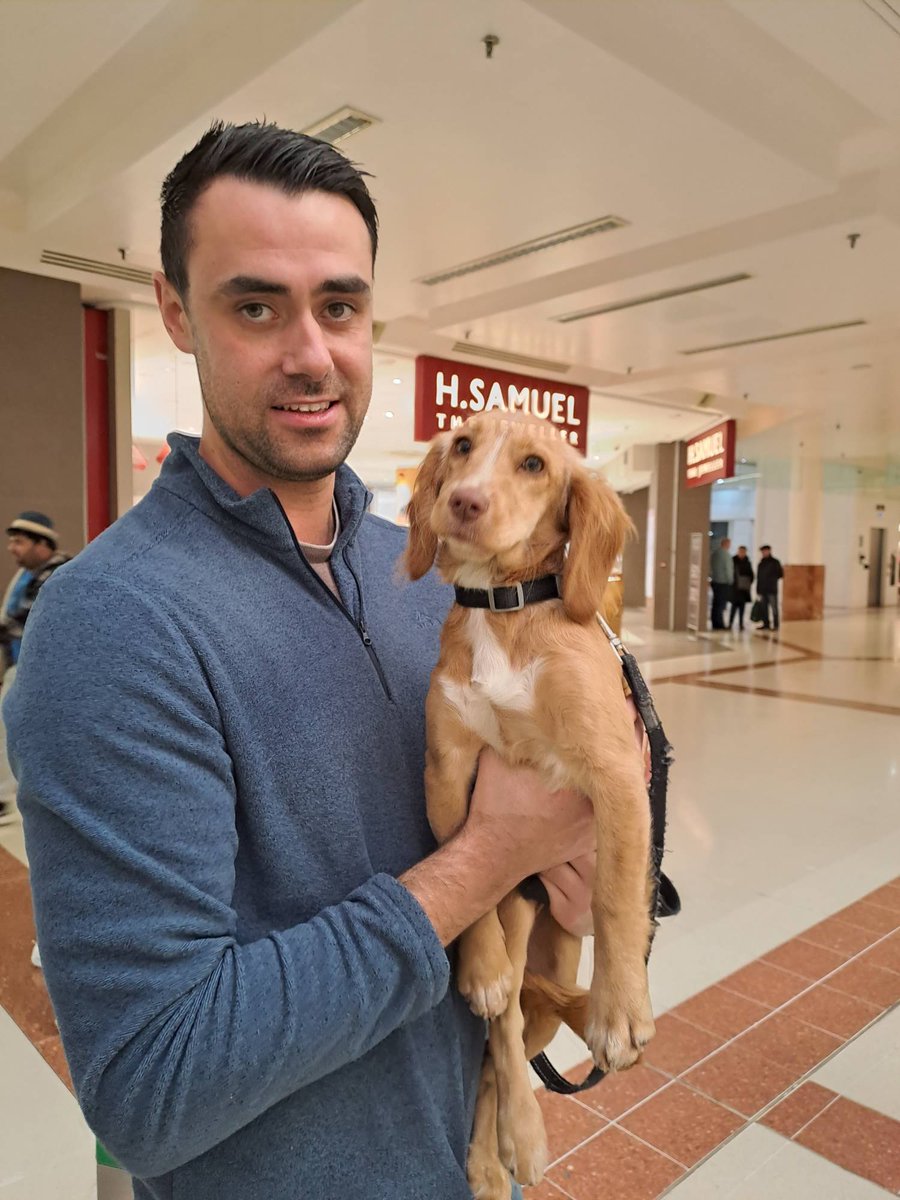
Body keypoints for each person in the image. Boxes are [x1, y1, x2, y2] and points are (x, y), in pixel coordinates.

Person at [3, 122, 602, 1200]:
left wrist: (596, 853)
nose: (310, 353)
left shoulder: (430, 572)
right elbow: (150, 1086)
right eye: (254, 306)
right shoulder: (109, 625)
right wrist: (484, 862)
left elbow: (588, 766)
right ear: (177, 312)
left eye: (340, 305)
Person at [0, 512, 70, 826]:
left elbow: (32, 620)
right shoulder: (28, 575)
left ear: (43, 543)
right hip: (22, 667)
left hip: (44, 671)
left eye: (19, 542)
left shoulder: (58, 573)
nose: (12, 549)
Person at [756, 544, 784, 631]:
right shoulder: (761, 563)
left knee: (774, 608)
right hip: (763, 589)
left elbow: (780, 574)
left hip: (772, 589)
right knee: (764, 608)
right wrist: (758, 589)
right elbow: (759, 577)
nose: (764, 553)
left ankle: (776, 625)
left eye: (765, 551)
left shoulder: (775, 562)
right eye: (762, 551)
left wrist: (772, 580)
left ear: (769, 551)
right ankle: (766, 624)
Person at [708, 535, 733, 630]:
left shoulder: (714, 554)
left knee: (715, 603)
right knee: (721, 604)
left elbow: (710, 568)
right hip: (723, 583)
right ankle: (720, 624)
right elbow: (728, 570)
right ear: (726, 544)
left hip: (715, 582)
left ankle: (715, 622)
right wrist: (730, 581)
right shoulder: (726, 555)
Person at [728, 545, 754, 631]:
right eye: (740, 551)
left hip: (744, 590)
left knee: (742, 608)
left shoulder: (747, 562)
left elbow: (751, 575)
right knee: (733, 607)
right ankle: (730, 623)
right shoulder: (732, 561)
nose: (741, 553)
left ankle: (741, 624)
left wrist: (748, 583)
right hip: (735, 588)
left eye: (743, 552)